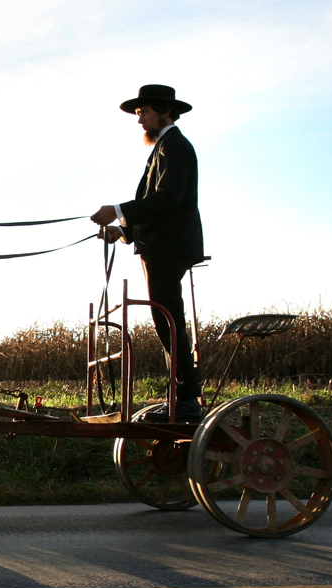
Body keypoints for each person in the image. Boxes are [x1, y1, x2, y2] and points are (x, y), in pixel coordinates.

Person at [90, 84, 205, 422]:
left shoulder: (175, 147)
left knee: (168, 319)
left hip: (168, 246)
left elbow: (168, 200)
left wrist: (117, 210)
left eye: (144, 112)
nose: (140, 120)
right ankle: (181, 396)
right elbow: (155, 208)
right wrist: (122, 230)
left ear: (165, 112)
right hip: (160, 244)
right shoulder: (164, 148)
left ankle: (186, 400)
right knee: (163, 318)